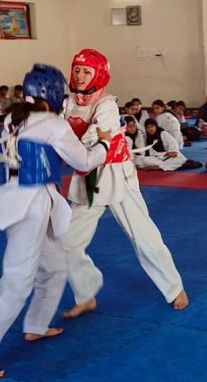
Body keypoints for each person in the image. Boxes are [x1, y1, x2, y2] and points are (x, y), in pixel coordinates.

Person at [0, 64, 111, 381]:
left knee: (54, 266)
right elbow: (82, 161)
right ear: (53, 94)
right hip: (31, 204)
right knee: (16, 283)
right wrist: (104, 144)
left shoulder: (15, 119)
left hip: (20, 198)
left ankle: (36, 326)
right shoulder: (53, 123)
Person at [60, 49, 188, 319]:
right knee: (67, 242)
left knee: (142, 235)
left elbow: (96, 140)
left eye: (86, 71)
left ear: (98, 74)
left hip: (116, 173)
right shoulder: (67, 103)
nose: (80, 75)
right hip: (88, 178)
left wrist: (65, 144)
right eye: (77, 70)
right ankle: (85, 293)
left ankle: (174, 287)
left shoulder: (106, 104)